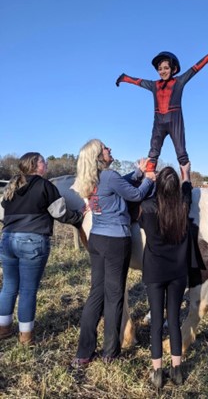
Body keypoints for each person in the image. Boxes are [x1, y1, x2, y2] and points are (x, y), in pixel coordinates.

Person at [71, 139, 155, 367]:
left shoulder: (90, 179)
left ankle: (84, 352)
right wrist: (147, 179)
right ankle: (110, 351)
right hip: (116, 240)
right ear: (100, 156)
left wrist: (137, 171)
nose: (110, 150)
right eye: (106, 148)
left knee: (95, 294)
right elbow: (135, 195)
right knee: (115, 295)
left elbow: (120, 183)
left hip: (96, 239)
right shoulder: (109, 176)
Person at [0, 152, 84, 345]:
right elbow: (60, 213)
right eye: (42, 162)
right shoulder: (46, 186)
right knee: (28, 290)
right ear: (35, 166)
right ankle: (25, 336)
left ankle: (3, 329)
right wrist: (80, 217)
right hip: (33, 240)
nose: (46, 164)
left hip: (7, 239)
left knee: (9, 287)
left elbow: (3, 214)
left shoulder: (11, 186)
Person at [116, 46, 208, 172]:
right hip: (158, 123)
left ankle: (186, 184)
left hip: (175, 122)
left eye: (166, 68)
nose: (162, 71)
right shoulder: (154, 85)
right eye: (159, 69)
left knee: (181, 153)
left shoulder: (179, 82)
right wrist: (124, 78)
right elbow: (138, 81)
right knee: (153, 152)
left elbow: (195, 68)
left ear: (173, 69)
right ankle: (149, 180)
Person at [138, 162, 192, 389]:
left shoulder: (148, 207)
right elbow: (187, 189)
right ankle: (177, 370)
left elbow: (140, 219)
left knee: (157, 324)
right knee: (175, 321)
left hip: (155, 272)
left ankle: (158, 372)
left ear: (158, 186)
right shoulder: (183, 206)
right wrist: (186, 173)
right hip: (178, 273)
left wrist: (146, 178)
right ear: (176, 188)